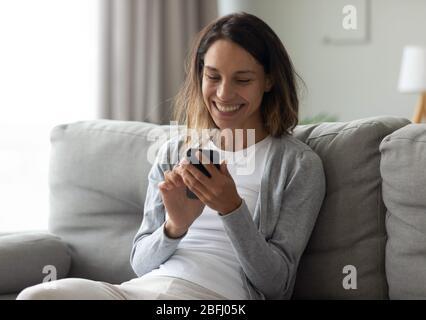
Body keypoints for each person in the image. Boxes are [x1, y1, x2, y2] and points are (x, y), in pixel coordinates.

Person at [17, 12, 325, 300]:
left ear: (269, 80)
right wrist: (175, 226)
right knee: (39, 295)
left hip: (214, 297)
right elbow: (141, 262)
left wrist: (232, 208)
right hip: (139, 291)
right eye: (213, 77)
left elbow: (277, 285)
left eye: (242, 80)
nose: (224, 94)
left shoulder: (297, 165)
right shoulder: (175, 151)